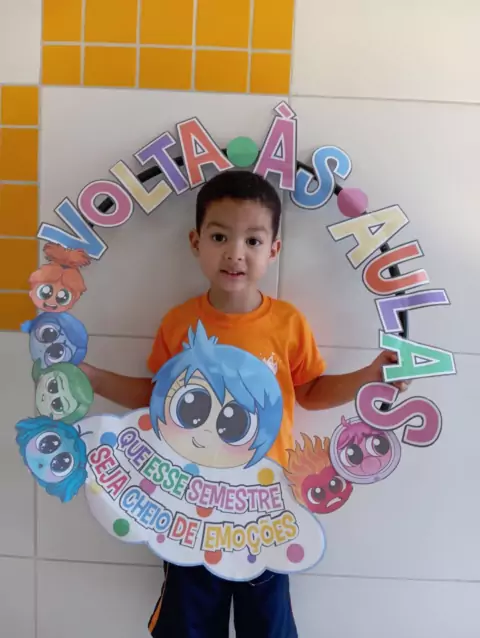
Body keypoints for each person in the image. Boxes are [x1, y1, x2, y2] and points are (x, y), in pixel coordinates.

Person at [80, 170, 409, 638]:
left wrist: (368, 375)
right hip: (189, 505)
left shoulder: (288, 323)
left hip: (266, 505)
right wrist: (92, 378)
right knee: (188, 624)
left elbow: (310, 391)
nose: (235, 253)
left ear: (274, 249)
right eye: (220, 237)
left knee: (267, 626)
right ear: (196, 242)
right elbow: (155, 401)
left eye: (253, 240)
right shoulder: (179, 323)